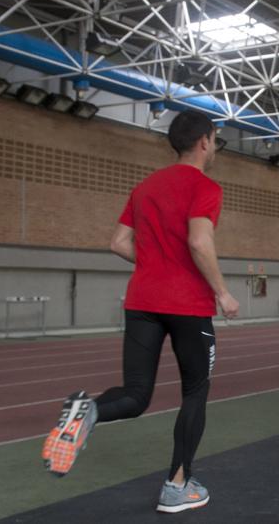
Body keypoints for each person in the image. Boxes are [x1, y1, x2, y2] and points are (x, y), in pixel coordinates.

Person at [40, 110, 240, 514]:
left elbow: (117, 242)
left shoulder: (146, 186)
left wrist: (155, 265)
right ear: (204, 141)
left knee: (135, 394)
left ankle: (90, 410)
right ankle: (176, 486)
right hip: (188, 305)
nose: (215, 146)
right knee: (195, 394)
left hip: (142, 302)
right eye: (215, 139)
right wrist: (222, 291)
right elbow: (200, 241)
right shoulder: (205, 187)